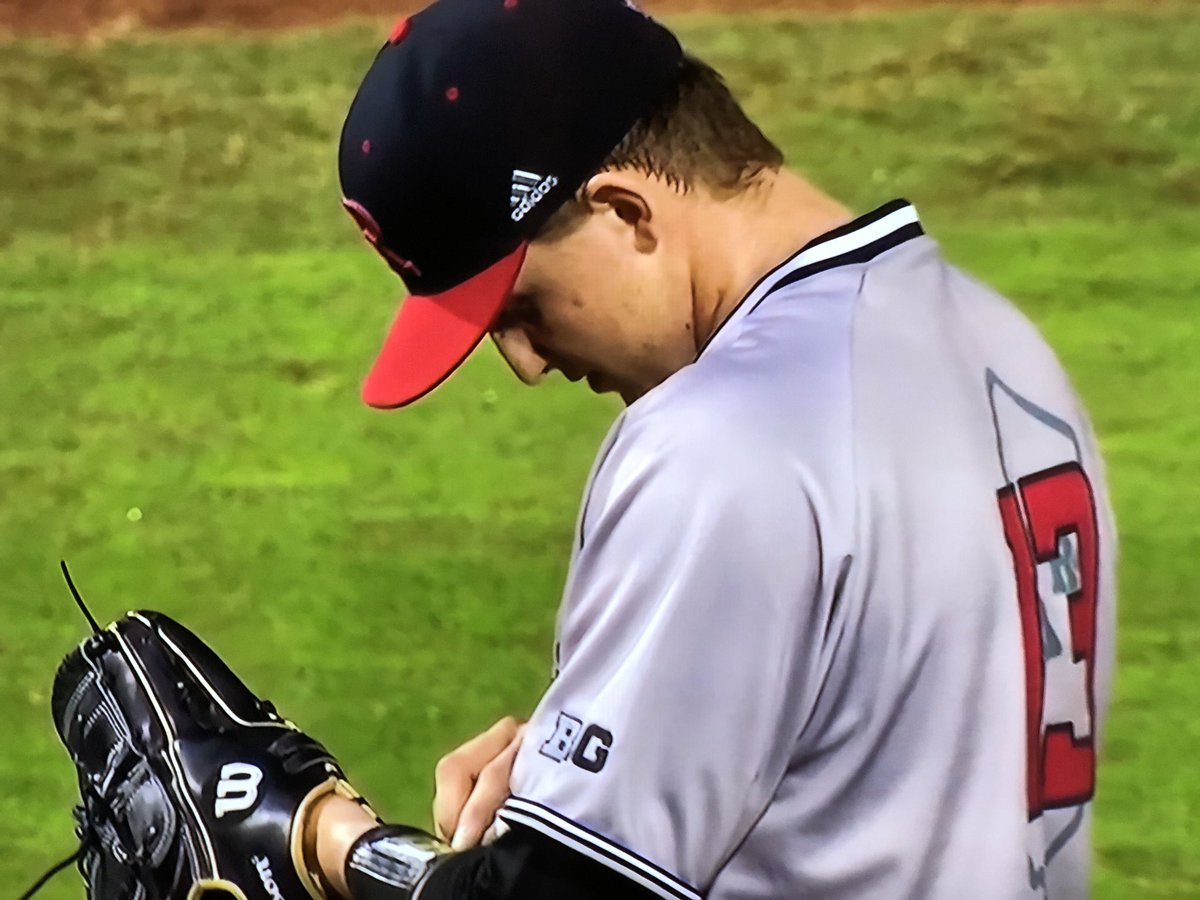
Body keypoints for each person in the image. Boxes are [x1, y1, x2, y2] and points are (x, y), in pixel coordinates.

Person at [314, 0, 1118, 896]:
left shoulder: (721, 444)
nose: (529, 365)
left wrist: (321, 839)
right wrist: (581, 777)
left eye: (522, 310)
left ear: (624, 209)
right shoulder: (1006, 353)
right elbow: (879, 735)